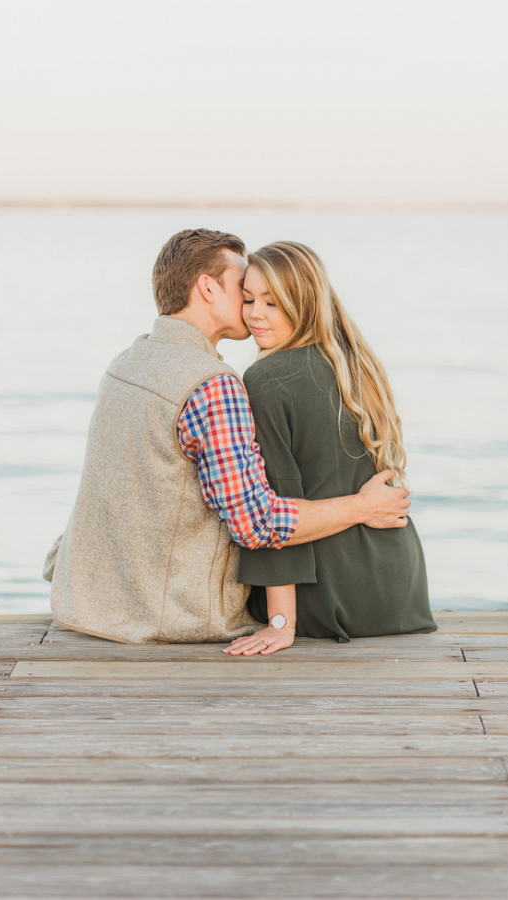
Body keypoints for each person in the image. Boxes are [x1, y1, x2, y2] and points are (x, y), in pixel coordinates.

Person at [43, 229, 411, 644]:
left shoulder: (125, 363)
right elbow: (258, 524)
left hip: (87, 604)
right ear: (207, 288)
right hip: (169, 616)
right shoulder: (213, 385)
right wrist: (361, 507)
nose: (251, 303)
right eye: (242, 288)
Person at [225, 241, 436, 657]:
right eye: (248, 299)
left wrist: (280, 624)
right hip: (401, 592)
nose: (255, 314)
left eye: (273, 302)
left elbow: (276, 505)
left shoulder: (264, 380)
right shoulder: (357, 362)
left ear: (304, 303)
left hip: (336, 598)